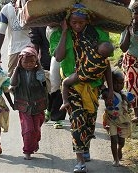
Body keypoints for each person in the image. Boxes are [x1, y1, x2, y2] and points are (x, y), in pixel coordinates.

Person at [49, 3, 114, 172]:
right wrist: (64, 31)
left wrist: (111, 89)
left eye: (81, 23)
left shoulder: (98, 33)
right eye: (73, 22)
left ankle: (85, 147)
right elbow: (59, 56)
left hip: (93, 86)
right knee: (77, 119)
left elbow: (105, 64)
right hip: (72, 85)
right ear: (68, 21)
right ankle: (80, 161)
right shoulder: (58, 34)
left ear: (87, 21)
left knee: (90, 121)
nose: (77, 26)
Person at [10, 46, 47, 160]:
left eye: (32, 62)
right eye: (25, 62)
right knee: (28, 129)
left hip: (38, 105)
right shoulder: (19, 72)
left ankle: (34, 143)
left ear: (36, 61)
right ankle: (27, 151)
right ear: (20, 61)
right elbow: (13, 82)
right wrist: (16, 67)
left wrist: (39, 66)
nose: (29, 64)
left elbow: (43, 82)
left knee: (36, 128)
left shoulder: (38, 71)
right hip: (24, 106)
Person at [29, 26, 67, 129]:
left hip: (63, 58)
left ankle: (57, 117)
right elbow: (35, 41)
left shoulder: (62, 21)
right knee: (48, 88)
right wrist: (34, 60)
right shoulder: (40, 22)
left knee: (59, 87)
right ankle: (49, 109)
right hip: (45, 59)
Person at [60, 41, 114, 111]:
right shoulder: (106, 62)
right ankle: (102, 89)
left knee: (65, 83)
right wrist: (110, 89)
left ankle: (65, 102)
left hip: (81, 76)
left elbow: (83, 47)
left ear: (96, 48)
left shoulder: (91, 53)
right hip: (93, 79)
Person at [101, 70, 133, 167]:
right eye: (116, 83)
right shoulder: (107, 92)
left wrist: (128, 103)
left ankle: (120, 149)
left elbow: (129, 105)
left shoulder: (124, 94)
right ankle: (115, 159)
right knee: (113, 139)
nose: (119, 85)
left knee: (121, 142)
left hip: (123, 122)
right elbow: (103, 91)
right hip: (112, 121)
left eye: (121, 83)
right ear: (110, 82)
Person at [0, 0, 31, 77]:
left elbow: (1, 32)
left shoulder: (29, 5)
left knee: (12, 77)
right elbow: (1, 32)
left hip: (18, 49)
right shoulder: (6, 9)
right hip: (24, 48)